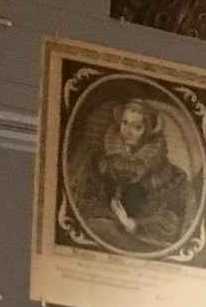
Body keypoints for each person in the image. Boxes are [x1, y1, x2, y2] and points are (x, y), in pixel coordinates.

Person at [80, 98, 193, 254]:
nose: (127, 131)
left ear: (148, 131)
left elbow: (171, 226)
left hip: (139, 247)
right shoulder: (101, 165)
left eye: (137, 127)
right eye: (124, 123)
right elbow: (85, 203)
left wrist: (131, 225)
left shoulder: (167, 175)